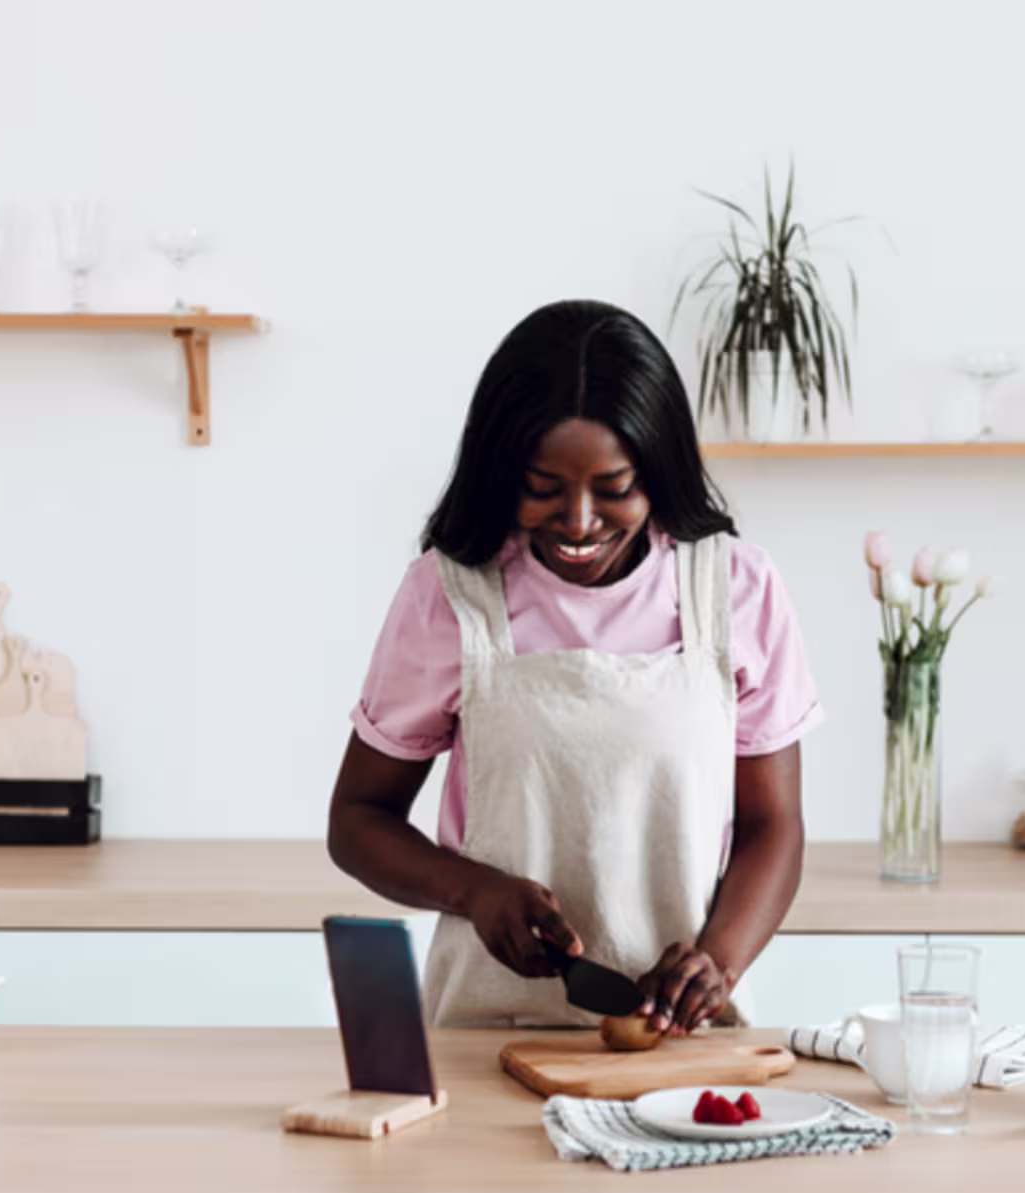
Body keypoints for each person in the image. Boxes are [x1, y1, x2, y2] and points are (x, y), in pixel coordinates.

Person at [328, 300, 823, 1032]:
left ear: (660, 469)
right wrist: (474, 890)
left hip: (682, 1041)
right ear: (501, 471)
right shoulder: (451, 592)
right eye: (543, 487)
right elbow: (357, 821)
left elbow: (772, 826)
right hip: (483, 1031)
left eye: (615, 487)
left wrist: (716, 960)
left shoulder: (735, 589)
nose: (581, 520)